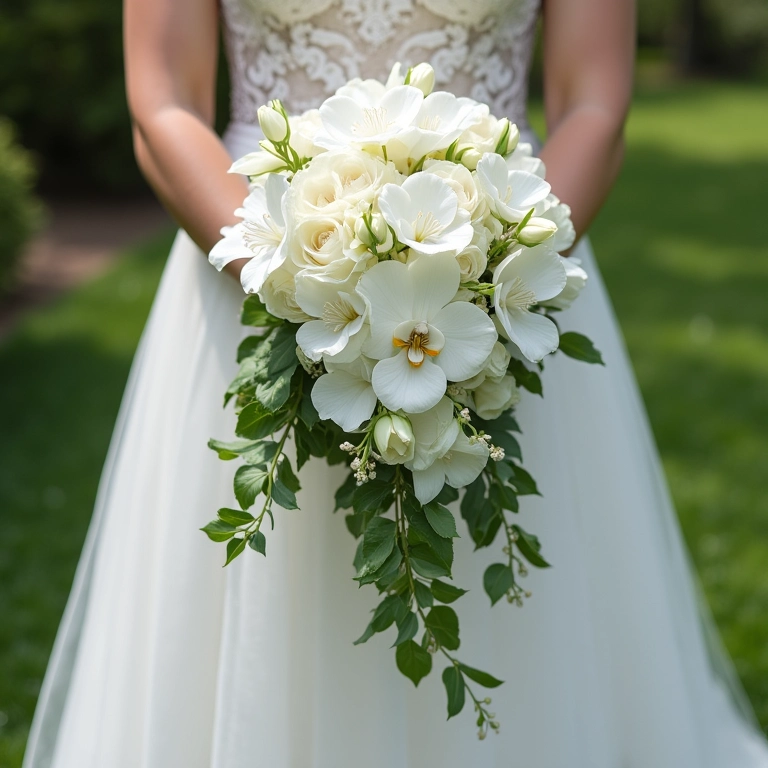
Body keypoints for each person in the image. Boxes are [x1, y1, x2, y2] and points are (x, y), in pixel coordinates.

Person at [23, 1, 768, 766]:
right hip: (255, 256)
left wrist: (490, 278)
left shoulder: (497, 275)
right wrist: (291, 282)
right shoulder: (271, 269)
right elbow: (164, 102)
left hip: (499, 279)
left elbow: (595, 105)